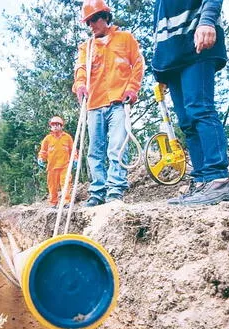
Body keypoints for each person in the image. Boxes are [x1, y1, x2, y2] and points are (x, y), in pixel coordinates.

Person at [152, 0, 229, 206]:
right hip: (171, 58)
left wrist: (207, 20)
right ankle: (201, 181)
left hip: (196, 43)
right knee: (187, 122)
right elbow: (159, 31)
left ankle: (218, 179)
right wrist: (159, 69)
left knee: (200, 110)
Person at [72, 0, 145, 207]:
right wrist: (79, 86)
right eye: (88, 22)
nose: (91, 25)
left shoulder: (125, 39)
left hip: (118, 103)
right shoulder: (86, 47)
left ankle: (115, 190)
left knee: (117, 147)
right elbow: (80, 70)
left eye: (94, 19)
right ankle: (97, 192)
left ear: (105, 17)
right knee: (94, 151)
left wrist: (132, 89)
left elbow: (138, 65)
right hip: (94, 104)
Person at [37, 116, 78, 208]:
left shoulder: (67, 138)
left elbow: (73, 150)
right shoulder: (47, 139)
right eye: (53, 125)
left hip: (65, 166)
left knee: (66, 183)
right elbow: (43, 151)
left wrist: (75, 159)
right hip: (52, 167)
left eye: (57, 125)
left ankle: (66, 202)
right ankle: (53, 203)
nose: (55, 126)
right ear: (51, 127)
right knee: (52, 186)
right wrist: (41, 158)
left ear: (61, 126)